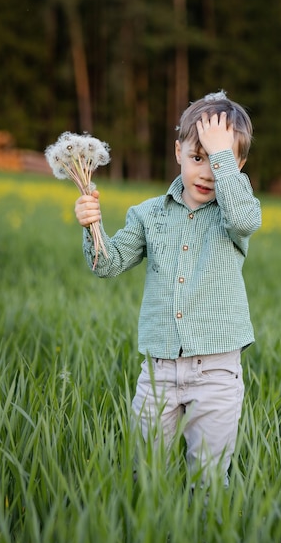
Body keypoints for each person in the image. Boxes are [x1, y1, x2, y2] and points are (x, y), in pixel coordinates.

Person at [74, 90, 261, 487]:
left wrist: (220, 154)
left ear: (237, 163)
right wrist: (92, 226)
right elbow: (106, 265)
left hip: (216, 370)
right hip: (158, 370)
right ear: (178, 152)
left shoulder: (234, 213)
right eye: (198, 158)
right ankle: (148, 542)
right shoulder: (147, 215)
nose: (208, 171)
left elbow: (246, 219)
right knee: (142, 472)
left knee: (209, 477)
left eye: (220, 159)